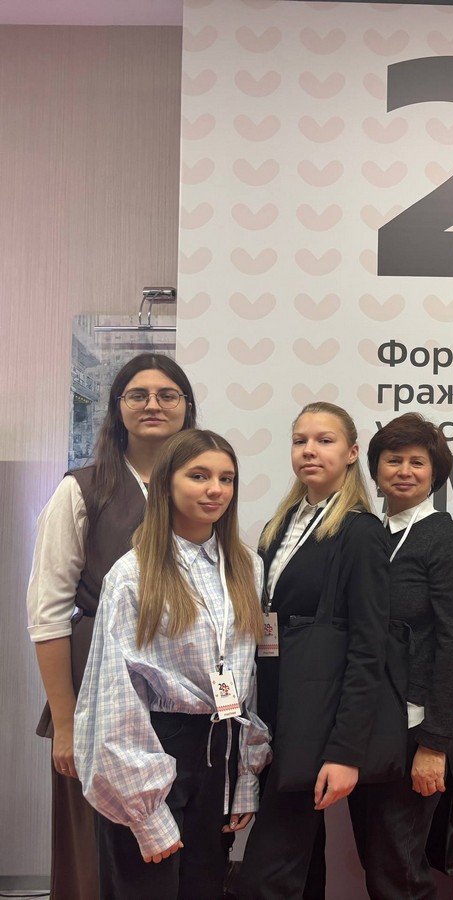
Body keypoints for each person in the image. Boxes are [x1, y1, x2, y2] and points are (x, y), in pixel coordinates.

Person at [26, 353, 197, 900]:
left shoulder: (201, 484)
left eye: (167, 394)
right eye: (137, 394)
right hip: (97, 677)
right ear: (117, 407)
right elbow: (48, 614)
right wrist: (66, 722)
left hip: (179, 688)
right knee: (95, 834)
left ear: (187, 406)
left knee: (177, 835)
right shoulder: (82, 489)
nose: (153, 404)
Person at [74, 429, 269, 900]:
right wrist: (144, 812)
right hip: (155, 744)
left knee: (205, 886)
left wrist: (243, 777)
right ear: (166, 484)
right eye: (198, 476)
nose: (215, 489)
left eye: (226, 478)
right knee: (147, 887)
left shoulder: (247, 566)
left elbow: (245, 677)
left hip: (220, 746)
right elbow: (116, 696)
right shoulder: (133, 573)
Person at [239, 402, 390, 900]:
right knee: (299, 865)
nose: (309, 450)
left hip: (315, 715)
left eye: (325, 441)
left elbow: (369, 648)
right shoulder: (281, 524)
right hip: (273, 704)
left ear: (351, 453)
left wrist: (345, 751)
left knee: (270, 870)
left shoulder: (361, 532)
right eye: (300, 440)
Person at [348, 412, 453, 899]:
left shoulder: (444, 538)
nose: (404, 471)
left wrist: (435, 743)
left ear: (434, 472)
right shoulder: (366, 533)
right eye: (393, 459)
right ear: (375, 468)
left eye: (417, 462)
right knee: (376, 860)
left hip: (412, 727)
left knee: (399, 869)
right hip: (365, 722)